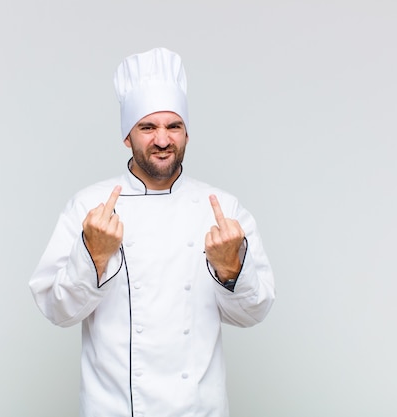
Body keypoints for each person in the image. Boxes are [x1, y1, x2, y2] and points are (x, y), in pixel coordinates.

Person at [29, 47, 275, 417]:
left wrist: (230, 269)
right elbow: (57, 311)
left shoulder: (223, 210)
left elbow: (253, 313)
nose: (162, 140)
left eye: (173, 126)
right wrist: (92, 255)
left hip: (200, 410)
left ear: (187, 134)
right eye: (148, 127)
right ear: (127, 137)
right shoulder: (89, 207)